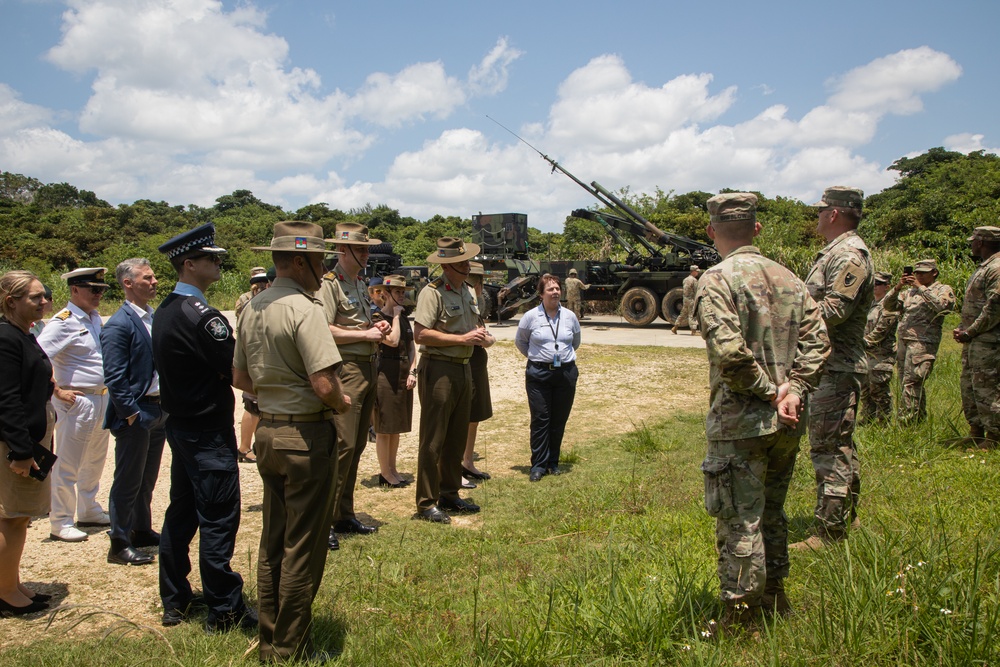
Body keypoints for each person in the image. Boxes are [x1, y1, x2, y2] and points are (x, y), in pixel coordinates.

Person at [694, 193, 829, 632]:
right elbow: (819, 343)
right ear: (757, 229)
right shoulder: (791, 278)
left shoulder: (716, 280)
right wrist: (795, 391)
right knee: (772, 512)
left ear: (712, 232)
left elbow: (731, 356)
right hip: (788, 421)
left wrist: (770, 393)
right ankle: (776, 600)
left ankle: (742, 619)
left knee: (740, 519)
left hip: (742, 423)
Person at [234, 221, 350, 662]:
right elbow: (325, 384)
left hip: (267, 433)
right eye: (320, 260)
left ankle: (269, 640)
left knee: (273, 541)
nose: (323, 270)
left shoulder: (253, 306)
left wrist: (277, 388)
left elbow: (241, 378)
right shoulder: (306, 309)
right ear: (300, 261)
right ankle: (288, 650)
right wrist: (343, 402)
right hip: (307, 435)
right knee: (303, 545)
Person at [152, 223, 256, 632]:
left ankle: (174, 600)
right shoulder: (202, 316)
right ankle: (224, 610)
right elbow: (236, 372)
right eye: (211, 258)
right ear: (189, 264)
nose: (217, 263)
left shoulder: (167, 309)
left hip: (182, 426)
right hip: (207, 432)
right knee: (217, 518)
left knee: (181, 514)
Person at [792, 186, 873, 551]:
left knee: (828, 449)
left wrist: (789, 318)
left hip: (835, 367)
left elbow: (834, 312)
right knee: (839, 445)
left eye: (822, 210)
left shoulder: (849, 256)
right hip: (833, 365)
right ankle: (846, 517)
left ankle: (830, 532)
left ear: (835, 214)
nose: (819, 216)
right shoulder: (836, 253)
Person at [317, 222, 389, 550]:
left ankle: (343, 513)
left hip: (367, 367)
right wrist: (365, 335)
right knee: (343, 445)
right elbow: (322, 329)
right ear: (342, 250)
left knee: (358, 443)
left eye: (366, 248)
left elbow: (357, 323)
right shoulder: (329, 284)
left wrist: (377, 325)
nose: (365, 254)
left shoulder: (358, 283)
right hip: (345, 370)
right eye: (360, 249)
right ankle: (324, 520)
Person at [413, 237, 488, 523]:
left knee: (456, 437)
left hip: (464, 366)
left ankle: (450, 492)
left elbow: (475, 326)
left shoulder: (468, 291)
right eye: (462, 262)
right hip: (439, 369)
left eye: (467, 260)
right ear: (447, 265)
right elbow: (421, 333)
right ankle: (426, 502)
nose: (468, 265)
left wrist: (482, 336)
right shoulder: (432, 293)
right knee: (434, 439)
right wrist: (462, 338)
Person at [38, 267, 113, 543]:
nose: (98, 295)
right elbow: (39, 357)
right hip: (77, 400)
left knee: (94, 459)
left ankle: (89, 509)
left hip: (101, 397)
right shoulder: (63, 321)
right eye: (93, 290)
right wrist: (56, 390)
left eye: (101, 290)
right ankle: (61, 520)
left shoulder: (93, 318)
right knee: (68, 462)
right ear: (74, 290)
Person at [100, 258, 166, 566]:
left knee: (147, 478)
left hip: (158, 409)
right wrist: (130, 413)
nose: (154, 282)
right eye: (147, 278)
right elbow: (114, 376)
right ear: (128, 283)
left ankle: (140, 529)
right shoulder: (118, 324)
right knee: (127, 479)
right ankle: (119, 542)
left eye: (153, 277)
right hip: (137, 412)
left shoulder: (152, 317)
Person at [0, 271, 56, 615]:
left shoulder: (23, 333)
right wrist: (20, 451)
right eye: (35, 298)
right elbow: (6, 399)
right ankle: (5, 591)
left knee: (19, 518)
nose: (44, 302)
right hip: (15, 445)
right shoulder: (6, 338)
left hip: (31, 437)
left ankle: (12, 582)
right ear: (11, 302)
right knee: (11, 517)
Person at [515, 274, 582, 482]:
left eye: (557, 289)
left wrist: (561, 358)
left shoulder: (570, 316)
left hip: (565, 373)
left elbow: (575, 341)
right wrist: (539, 358)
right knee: (540, 419)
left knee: (558, 420)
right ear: (541, 294)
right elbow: (521, 342)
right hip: (539, 374)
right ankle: (538, 465)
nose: (555, 292)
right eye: (550, 289)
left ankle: (553, 462)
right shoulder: (530, 317)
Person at [882, 259, 956, 424]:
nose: (918, 275)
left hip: (923, 342)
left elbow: (943, 307)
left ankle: (906, 423)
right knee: (904, 381)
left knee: (913, 381)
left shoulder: (942, 289)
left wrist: (921, 288)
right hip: (904, 341)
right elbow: (888, 305)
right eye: (916, 272)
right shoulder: (909, 292)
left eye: (923, 272)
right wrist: (898, 287)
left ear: (934, 273)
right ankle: (917, 420)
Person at [953, 226, 1000, 447]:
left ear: (981, 243)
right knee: (970, 384)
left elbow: (994, 307)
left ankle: (994, 436)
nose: (971, 244)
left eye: (973, 241)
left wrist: (970, 330)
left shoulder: (997, 267)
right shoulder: (985, 267)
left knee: (987, 387)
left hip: (989, 341)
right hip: (975, 339)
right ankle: (976, 430)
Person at [372, 275, 416, 488]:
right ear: (385, 294)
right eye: (398, 292)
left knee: (397, 426)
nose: (402, 295)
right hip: (384, 374)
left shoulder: (404, 316)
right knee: (384, 427)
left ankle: (393, 468)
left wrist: (413, 371)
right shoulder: (377, 317)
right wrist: (396, 318)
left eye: (403, 292)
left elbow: (410, 346)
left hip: (402, 372)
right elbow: (392, 341)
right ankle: (384, 473)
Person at [462, 262, 495, 486]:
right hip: (465, 364)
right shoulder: (463, 302)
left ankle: (467, 462)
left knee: (473, 418)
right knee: (462, 418)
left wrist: (486, 339)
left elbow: (489, 337)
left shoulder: (473, 305)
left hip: (477, 364)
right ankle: (456, 466)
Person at [236, 268, 268, 464]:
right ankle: (244, 447)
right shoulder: (247, 299)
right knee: (252, 403)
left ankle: (255, 445)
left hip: (262, 351)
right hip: (253, 351)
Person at [859, 272, 898, 424]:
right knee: (865, 389)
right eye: (873, 283)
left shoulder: (889, 305)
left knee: (879, 388)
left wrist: (865, 341)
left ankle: (884, 421)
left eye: (878, 284)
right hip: (866, 353)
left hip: (881, 353)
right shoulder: (869, 303)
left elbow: (882, 329)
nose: (874, 286)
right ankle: (867, 418)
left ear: (887, 286)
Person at [672, 265, 701, 334]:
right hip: (691, 299)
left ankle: (675, 327)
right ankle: (693, 331)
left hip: (685, 299)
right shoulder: (694, 280)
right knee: (692, 314)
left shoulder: (685, 279)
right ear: (693, 271)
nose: (697, 273)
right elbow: (696, 290)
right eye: (696, 271)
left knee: (683, 313)